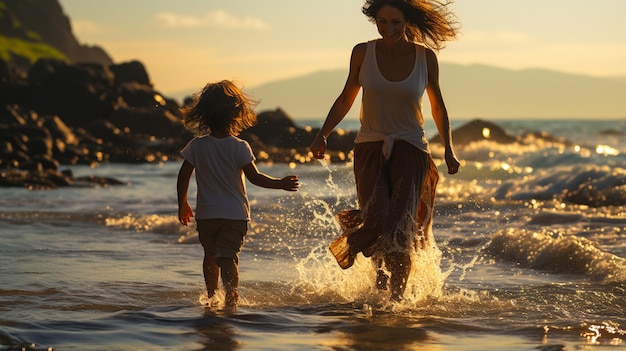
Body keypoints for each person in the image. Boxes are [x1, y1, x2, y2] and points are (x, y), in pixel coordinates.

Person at [309, 0, 460, 302]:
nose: (388, 29)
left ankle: (395, 301)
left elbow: (437, 106)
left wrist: (449, 150)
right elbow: (346, 98)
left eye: (395, 22)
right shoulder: (362, 53)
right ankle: (378, 288)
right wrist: (322, 134)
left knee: (401, 229)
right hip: (370, 147)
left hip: (412, 149)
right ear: (374, 21)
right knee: (377, 220)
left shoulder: (424, 58)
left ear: (407, 21)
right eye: (382, 22)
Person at [177, 80, 300, 308]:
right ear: (236, 113)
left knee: (211, 256)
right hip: (234, 215)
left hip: (207, 215)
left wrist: (182, 204)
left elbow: (183, 176)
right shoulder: (240, 146)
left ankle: (213, 296)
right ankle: (230, 295)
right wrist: (280, 184)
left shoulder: (197, 145)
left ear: (204, 114)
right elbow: (255, 178)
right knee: (227, 256)